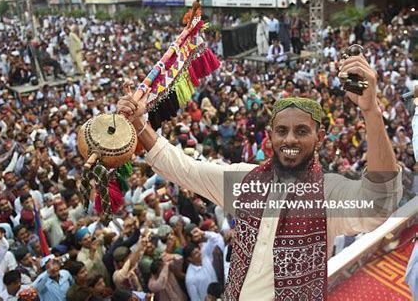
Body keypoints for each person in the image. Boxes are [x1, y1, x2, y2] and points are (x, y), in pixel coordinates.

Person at [116, 53, 402, 300]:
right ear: (270, 137)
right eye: (282, 131)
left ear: (320, 137)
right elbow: (183, 169)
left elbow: (378, 203)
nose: (290, 139)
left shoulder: (327, 194)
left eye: (302, 131)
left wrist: (371, 110)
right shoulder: (246, 181)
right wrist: (141, 123)